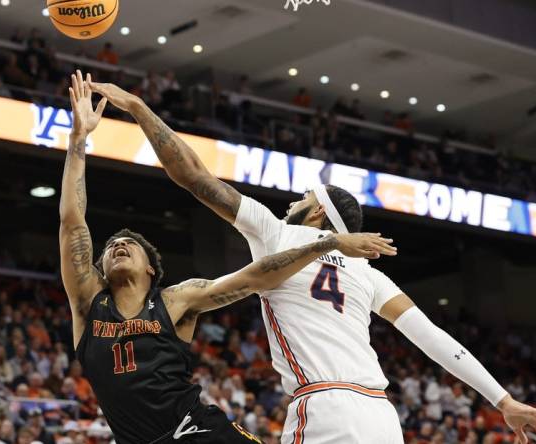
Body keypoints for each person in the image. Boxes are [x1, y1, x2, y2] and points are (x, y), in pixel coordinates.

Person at [87, 78, 536, 444]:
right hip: (382, 417)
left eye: (300, 197)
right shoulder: (368, 272)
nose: (290, 202)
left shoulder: (276, 232)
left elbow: (191, 176)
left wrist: (135, 106)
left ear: (317, 210)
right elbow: (435, 340)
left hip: (323, 407)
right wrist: (503, 401)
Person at [59, 71, 396, 444]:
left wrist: (324, 244)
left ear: (152, 268)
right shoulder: (89, 302)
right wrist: (78, 138)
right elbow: (73, 222)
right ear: (100, 269)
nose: (118, 246)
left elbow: (253, 280)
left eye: (129, 244)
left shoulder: (176, 300)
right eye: (110, 247)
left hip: (197, 432)